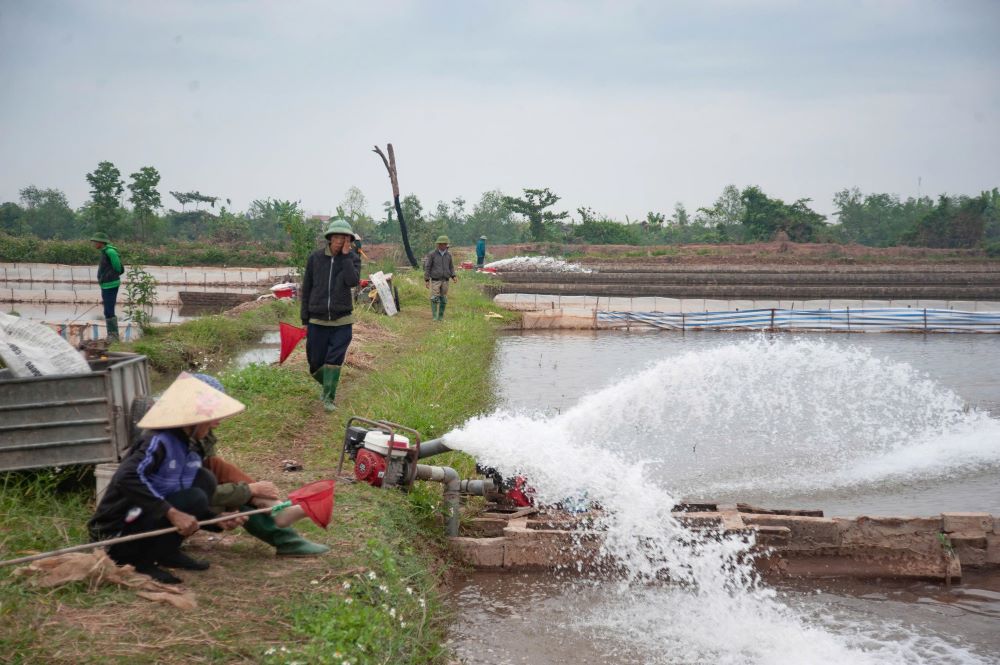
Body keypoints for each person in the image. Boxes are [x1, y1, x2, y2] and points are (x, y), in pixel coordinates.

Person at [88, 373, 249, 584]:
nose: (216, 423)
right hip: (119, 530)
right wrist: (171, 513)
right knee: (195, 497)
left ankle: (165, 552)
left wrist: (219, 522)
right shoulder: (157, 441)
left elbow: (180, 499)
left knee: (204, 480)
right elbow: (125, 477)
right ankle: (137, 560)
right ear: (193, 416)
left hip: (145, 517)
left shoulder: (188, 445)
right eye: (212, 416)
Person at [188, 373, 329, 557]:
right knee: (241, 495)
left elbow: (210, 476)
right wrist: (250, 491)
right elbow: (193, 493)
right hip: (172, 512)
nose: (220, 417)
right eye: (214, 409)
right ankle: (282, 525)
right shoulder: (171, 443)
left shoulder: (195, 434)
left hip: (195, 496)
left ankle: (279, 515)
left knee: (217, 467)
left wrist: (250, 491)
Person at [300, 218, 361, 411]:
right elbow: (307, 288)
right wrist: (304, 319)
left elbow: (352, 282)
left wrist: (345, 258)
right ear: (329, 238)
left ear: (349, 240)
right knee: (315, 363)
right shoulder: (315, 258)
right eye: (336, 236)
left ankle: (328, 398)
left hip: (342, 319)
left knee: (334, 359)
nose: (340, 241)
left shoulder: (353, 259)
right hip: (317, 318)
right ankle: (327, 383)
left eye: (344, 237)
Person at [91, 231, 123, 342]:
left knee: (109, 310)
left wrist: (108, 277)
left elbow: (118, 268)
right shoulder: (104, 252)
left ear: (101, 242)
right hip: (105, 285)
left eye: (95, 241)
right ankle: (112, 335)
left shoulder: (110, 252)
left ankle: (113, 336)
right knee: (107, 310)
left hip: (111, 285)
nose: (94, 243)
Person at [424, 235, 457, 321]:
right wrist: (427, 279)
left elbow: (451, 267)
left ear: (446, 245)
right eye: (440, 244)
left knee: (443, 298)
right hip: (435, 280)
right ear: (438, 245)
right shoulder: (432, 254)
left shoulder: (448, 255)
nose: (442, 246)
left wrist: (453, 276)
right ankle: (435, 316)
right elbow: (428, 267)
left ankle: (440, 316)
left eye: (444, 244)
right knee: (435, 297)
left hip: (445, 280)